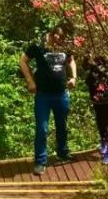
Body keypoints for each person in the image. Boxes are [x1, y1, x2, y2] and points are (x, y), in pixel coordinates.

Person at [20, 23, 76, 175]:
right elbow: (23, 61)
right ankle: (40, 161)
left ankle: (63, 152)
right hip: (43, 95)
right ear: (50, 34)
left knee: (62, 125)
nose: (57, 39)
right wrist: (30, 81)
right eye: (55, 35)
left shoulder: (64, 47)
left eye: (61, 37)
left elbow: (71, 60)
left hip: (61, 94)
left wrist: (73, 77)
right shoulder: (38, 46)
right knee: (42, 128)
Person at [83, 54, 108, 165]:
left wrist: (97, 66)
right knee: (100, 118)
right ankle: (104, 139)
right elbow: (84, 67)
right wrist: (87, 58)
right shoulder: (90, 51)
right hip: (95, 92)